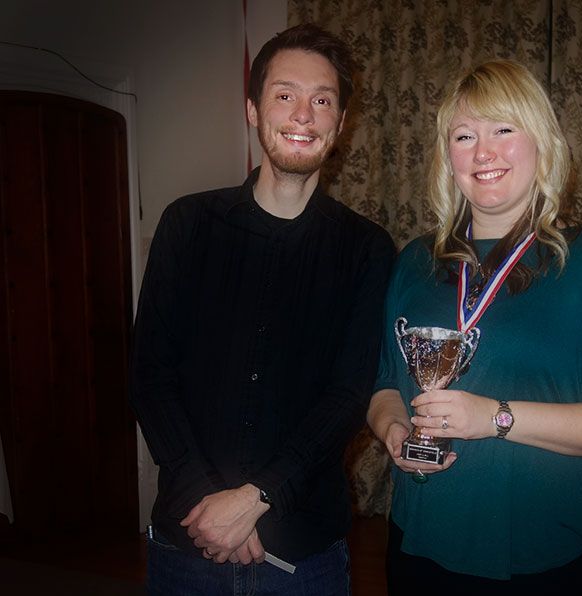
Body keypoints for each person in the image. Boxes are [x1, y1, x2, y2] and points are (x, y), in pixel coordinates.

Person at [367, 60, 582, 595]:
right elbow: (386, 383)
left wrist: (495, 417)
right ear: (447, 157)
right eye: (464, 136)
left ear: (542, 142)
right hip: (420, 541)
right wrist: (393, 430)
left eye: (503, 129)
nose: (483, 152)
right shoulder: (415, 261)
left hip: (547, 557)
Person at [130, 23, 394, 595]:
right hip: (188, 541)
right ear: (253, 110)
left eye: (321, 100)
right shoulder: (187, 224)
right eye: (285, 95)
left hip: (304, 556)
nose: (303, 114)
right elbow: (150, 373)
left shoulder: (367, 249)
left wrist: (257, 498)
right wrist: (212, 504)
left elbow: (349, 393)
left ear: (340, 122)